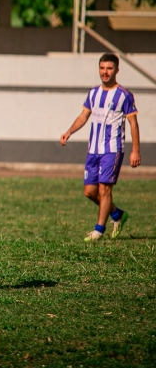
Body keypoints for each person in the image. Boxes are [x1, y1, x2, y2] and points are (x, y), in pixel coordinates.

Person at [60, 53, 140, 241]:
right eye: (102, 68)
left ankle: (98, 230)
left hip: (112, 149)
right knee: (89, 192)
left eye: (109, 68)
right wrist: (69, 131)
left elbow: (133, 124)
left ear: (117, 70)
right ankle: (118, 214)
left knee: (105, 190)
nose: (105, 72)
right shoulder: (93, 93)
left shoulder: (124, 95)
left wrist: (135, 150)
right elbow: (83, 116)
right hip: (93, 150)